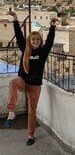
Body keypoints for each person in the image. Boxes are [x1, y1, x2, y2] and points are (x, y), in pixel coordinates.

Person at [4, 11, 58, 146]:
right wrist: (15, 19)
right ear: (30, 41)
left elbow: (50, 41)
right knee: (12, 82)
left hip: (35, 85)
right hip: (22, 80)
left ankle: (30, 135)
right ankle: (11, 112)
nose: (35, 41)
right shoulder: (25, 49)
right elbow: (19, 35)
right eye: (33, 39)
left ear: (40, 41)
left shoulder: (43, 52)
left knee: (32, 110)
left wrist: (52, 26)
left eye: (37, 39)